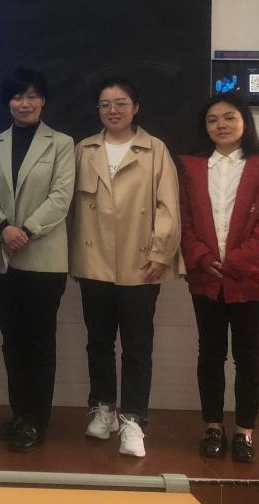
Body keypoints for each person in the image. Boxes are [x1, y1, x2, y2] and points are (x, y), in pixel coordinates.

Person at [178, 92, 259, 464]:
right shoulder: (191, 168)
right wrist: (202, 257)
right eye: (212, 119)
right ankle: (213, 427)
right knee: (210, 354)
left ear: (245, 122)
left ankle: (244, 432)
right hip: (207, 277)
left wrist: (234, 263)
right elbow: (182, 222)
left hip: (252, 280)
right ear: (205, 127)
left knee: (249, 356)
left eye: (229, 117)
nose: (221, 125)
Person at [69, 77, 181, 458]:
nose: (112, 110)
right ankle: (103, 409)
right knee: (98, 341)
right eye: (105, 104)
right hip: (94, 260)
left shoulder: (155, 150)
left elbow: (168, 207)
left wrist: (161, 254)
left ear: (136, 108)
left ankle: (133, 420)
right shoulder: (84, 149)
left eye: (120, 103)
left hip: (140, 262)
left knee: (137, 346)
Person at [0, 69, 75, 453]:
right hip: (2, 257)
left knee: (39, 342)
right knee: (12, 341)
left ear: (43, 100)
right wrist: (3, 227)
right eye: (18, 97)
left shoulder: (62, 143)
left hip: (43, 258)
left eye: (32, 96)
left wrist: (26, 230)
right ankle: (20, 414)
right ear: (8, 102)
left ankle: (37, 420)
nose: (25, 103)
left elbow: (61, 197)